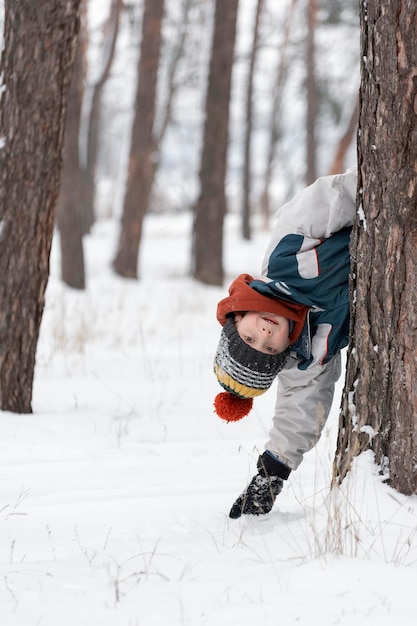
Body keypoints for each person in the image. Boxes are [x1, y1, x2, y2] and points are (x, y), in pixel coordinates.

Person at [213, 168, 357, 518]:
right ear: (282, 355)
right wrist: (272, 474)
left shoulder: (287, 254)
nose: (264, 336)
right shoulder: (308, 352)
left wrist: (381, 195)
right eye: (269, 348)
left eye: (249, 337)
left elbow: (332, 197)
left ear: (238, 317)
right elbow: (299, 407)